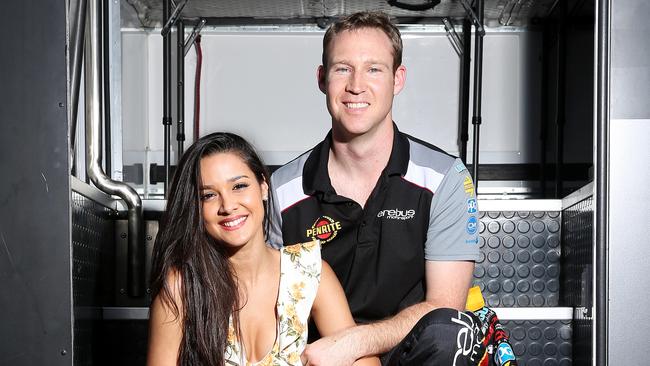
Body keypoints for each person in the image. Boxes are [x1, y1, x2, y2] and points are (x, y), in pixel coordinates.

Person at [269, 11, 483, 365]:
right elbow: (269, 303)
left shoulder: (446, 179)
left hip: (408, 352)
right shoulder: (282, 189)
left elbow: (445, 308)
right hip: (318, 356)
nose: (356, 85)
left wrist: (354, 343)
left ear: (398, 79)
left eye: (374, 69)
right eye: (342, 68)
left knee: (449, 331)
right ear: (322, 79)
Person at [147, 132, 379, 366]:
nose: (228, 206)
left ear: (264, 187)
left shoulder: (308, 271)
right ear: (195, 207)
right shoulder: (181, 288)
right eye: (208, 195)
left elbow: (364, 362)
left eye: (239, 186)